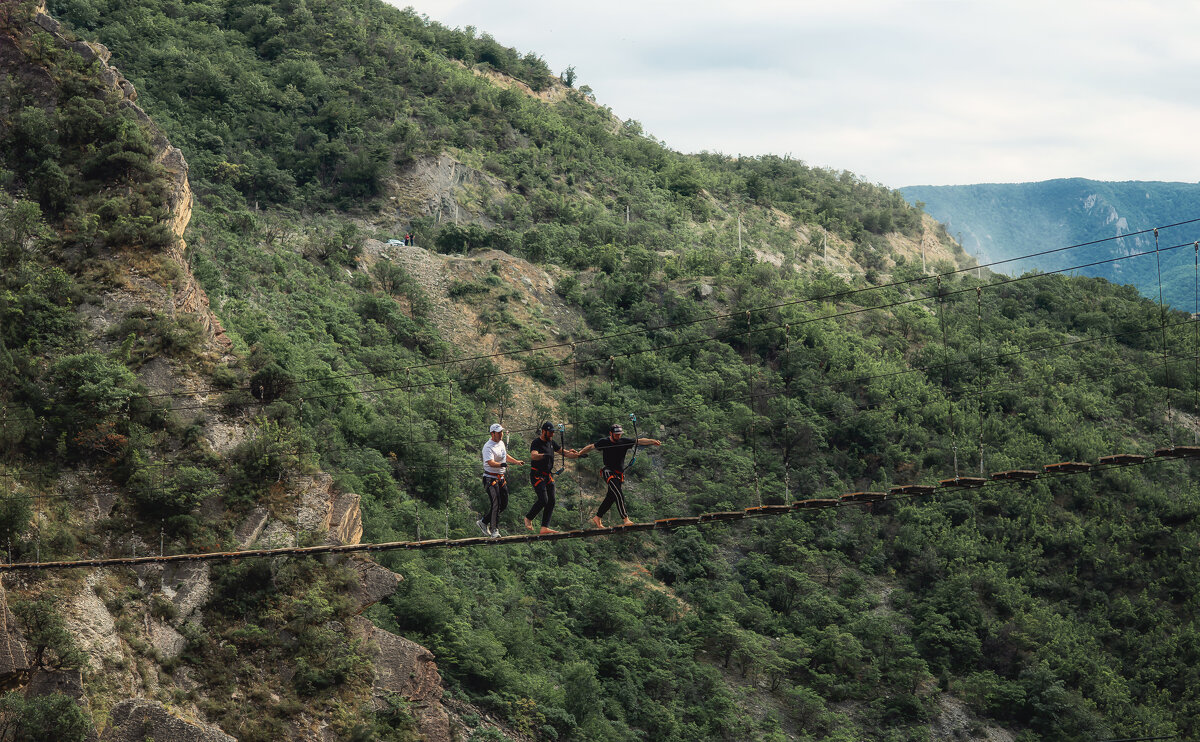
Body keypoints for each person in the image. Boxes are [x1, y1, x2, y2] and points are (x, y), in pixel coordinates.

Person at [574, 423, 663, 528]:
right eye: (616, 434)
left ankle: (597, 517)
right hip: (608, 471)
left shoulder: (624, 441)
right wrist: (580, 453)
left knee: (611, 497)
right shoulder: (604, 442)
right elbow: (591, 447)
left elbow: (639, 441)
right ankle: (625, 519)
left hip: (619, 474)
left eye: (619, 434)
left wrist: (652, 441)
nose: (618, 436)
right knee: (618, 493)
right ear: (610, 433)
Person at [525, 421, 582, 534]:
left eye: (553, 433)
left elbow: (564, 453)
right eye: (550, 433)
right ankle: (528, 518)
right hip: (537, 475)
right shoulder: (537, 442)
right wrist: (544, 456)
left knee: (551, 500)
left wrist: (577, 455)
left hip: (547, 475)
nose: (552, 435)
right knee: (543, 500)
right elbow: (533, 456)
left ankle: (544, 527)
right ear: (544, 431)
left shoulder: (551, 442)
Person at [478, 423, 523, 537]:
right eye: (498, 433)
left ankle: (484, 522)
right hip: (490, 478)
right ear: (492, 434)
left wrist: (516, 461)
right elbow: (490, 462)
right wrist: (501, 465)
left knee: (504, 504)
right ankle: (494, 530)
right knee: (496, 503)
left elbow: (505, 455)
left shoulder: (501, 443)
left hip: (500, 478)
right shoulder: (488, 447)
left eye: (501, 432)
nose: (501, 434)